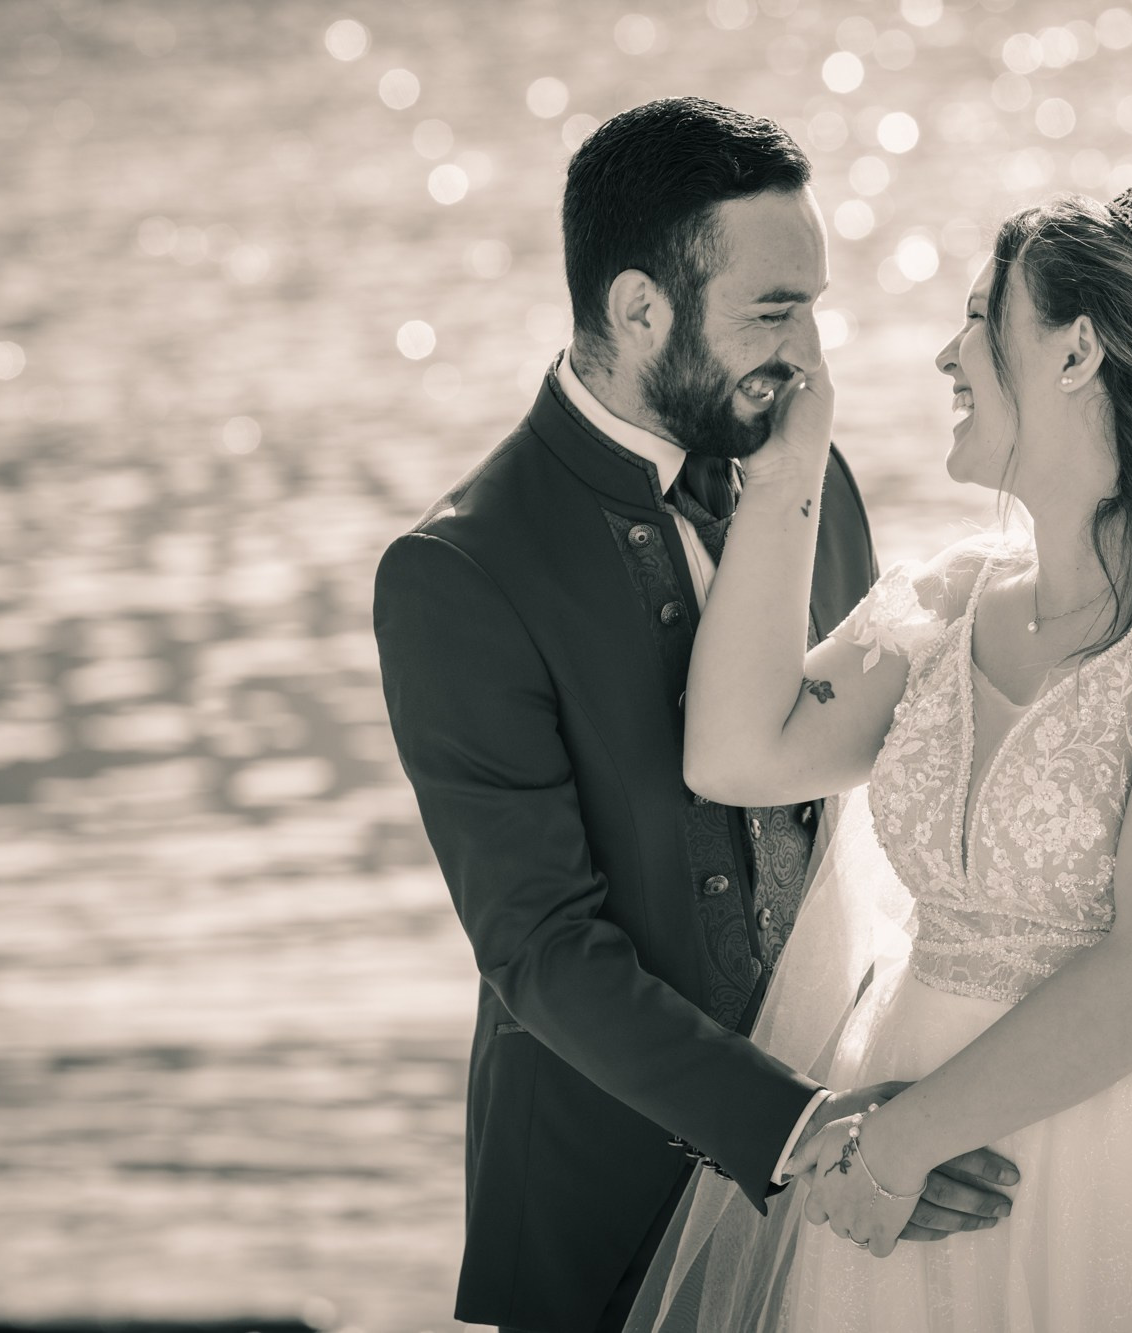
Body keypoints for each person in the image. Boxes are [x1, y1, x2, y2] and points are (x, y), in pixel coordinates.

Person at [635, 187, 1132, 1331]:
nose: (947, 352)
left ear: (1077, 350)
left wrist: (896, 1148)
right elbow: (739, 752)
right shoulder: (951, 596)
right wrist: (789, 475)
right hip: (906, 1164)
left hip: (1126, 1166)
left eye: (982, 318)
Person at [372, 97, 1014, 1333]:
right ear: (636, 309)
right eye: (774, 312)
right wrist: (791, 1126)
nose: (810, 356)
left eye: (814, 305)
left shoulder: (807, 472)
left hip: (856, 1199)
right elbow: (541, 948)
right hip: (606, 1213)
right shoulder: (456, 571)